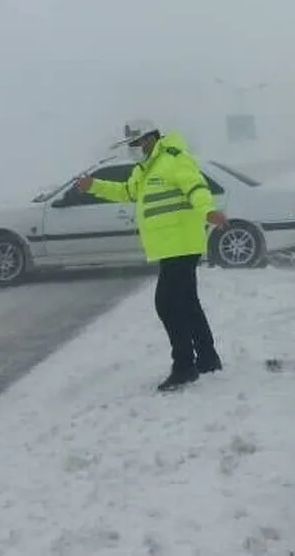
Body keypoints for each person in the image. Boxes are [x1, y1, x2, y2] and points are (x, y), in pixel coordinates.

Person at [75, 119, 228, 392]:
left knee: (167, 304)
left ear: (149, 139)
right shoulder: (143, 170)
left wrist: (207, 210)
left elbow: (196, 187)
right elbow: (126, 192)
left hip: (181, 243)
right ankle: (207, 358)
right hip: (170, 246)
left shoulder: (173, 158)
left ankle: (184, 367)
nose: (132, 149)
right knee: (187, 303)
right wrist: (93, 186)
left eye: (135, 143)